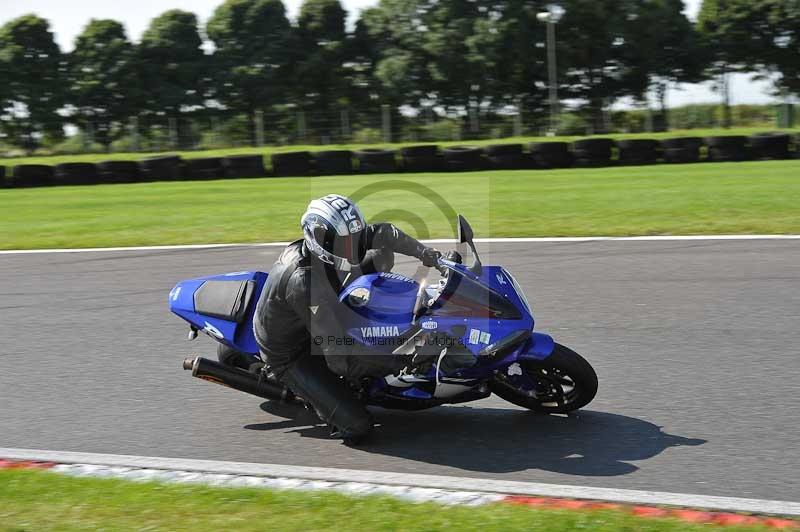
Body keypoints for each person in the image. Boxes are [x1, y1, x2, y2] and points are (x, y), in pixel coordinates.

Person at [253, 194, 441, 443]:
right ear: (319, 240)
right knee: (358, 427)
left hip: (322, 306)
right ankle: (317, 400)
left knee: (380, 257)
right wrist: (402, 360)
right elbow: (338, 358)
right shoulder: (304, 283)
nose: (352, 247)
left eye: (354, 239)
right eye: (345, 242)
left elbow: (384, 233)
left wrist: (427, 254)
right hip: (292, 351)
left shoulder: (328, 252)